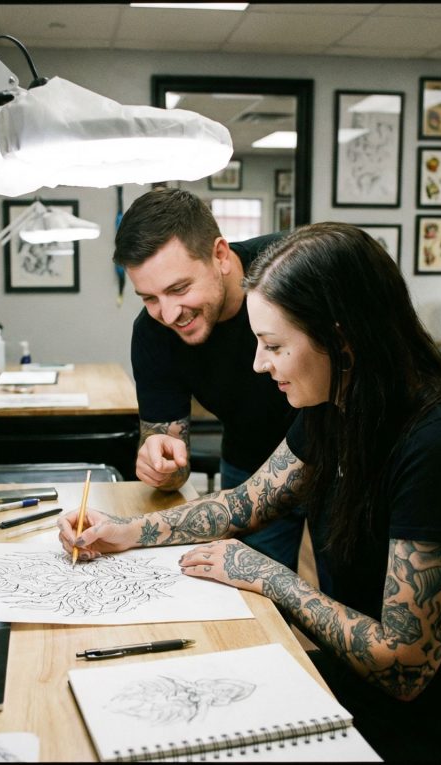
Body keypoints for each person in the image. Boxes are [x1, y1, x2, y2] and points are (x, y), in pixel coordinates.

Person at [60, 222, 441, 761]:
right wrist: (126, 532)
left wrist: (267, 577)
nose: (258, 364)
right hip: (361, 689)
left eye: (274, 345)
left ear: (342, 338)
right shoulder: (335, 407)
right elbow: (246, 502)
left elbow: (405, 668)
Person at [113, 187, 308, 575]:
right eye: (148, 298)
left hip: (342, 455)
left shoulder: (295, 271)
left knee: (347, 592)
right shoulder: (153, 334)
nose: (168, 314)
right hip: (248, 463)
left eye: (179, 288)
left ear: (220, 255)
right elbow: (169, 452)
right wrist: (163, 463)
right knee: (255, 601)